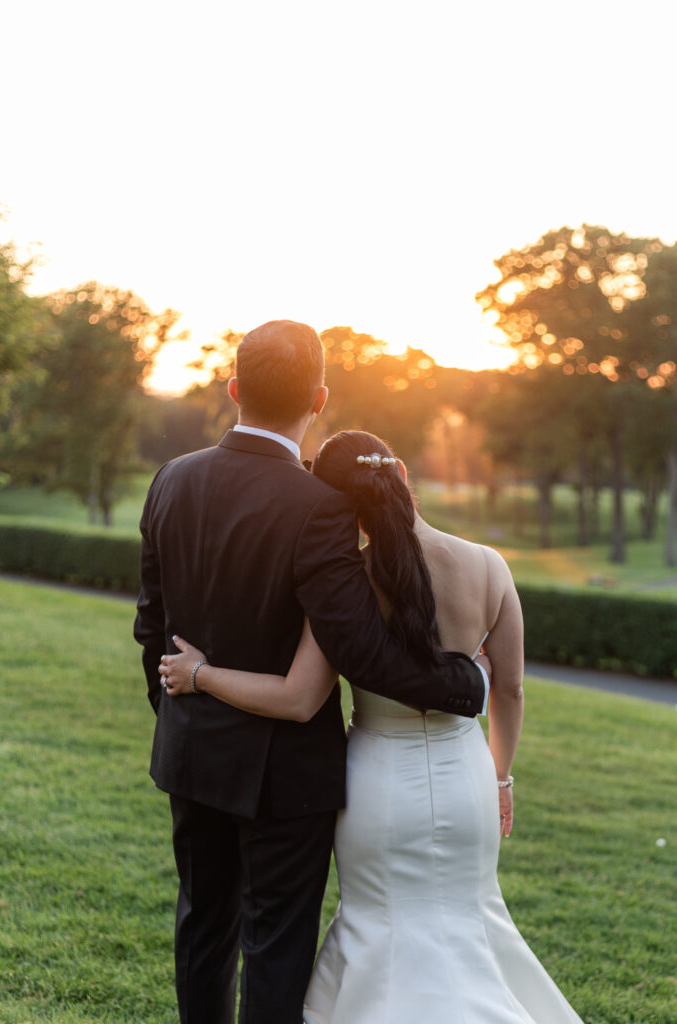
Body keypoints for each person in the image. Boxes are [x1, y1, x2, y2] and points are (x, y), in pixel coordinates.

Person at [159, 429, 585, 1024]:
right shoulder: (488, 564)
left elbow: (296, 696)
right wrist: (501, 778)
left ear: (334, 501)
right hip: (468, 783)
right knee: (470, 922)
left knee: (379, 928)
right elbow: (508, 688)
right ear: (402, 473)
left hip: (378, 783)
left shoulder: (347, 584)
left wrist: (201, 673)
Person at [134, 322, 490, 1024]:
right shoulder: (317, 506)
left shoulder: (169, 478)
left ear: (234, 389)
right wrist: (462, 686)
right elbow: (357, 647)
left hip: (191, 754)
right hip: (284, 776)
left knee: (202, 928)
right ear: (318, 400)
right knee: (276, 945)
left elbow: (152, 622)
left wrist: (183, 713)